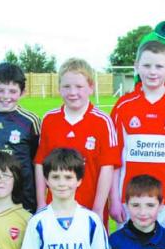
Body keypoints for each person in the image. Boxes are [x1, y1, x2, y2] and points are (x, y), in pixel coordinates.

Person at [109, 40, 165, 239]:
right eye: (146, 66)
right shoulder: (123, 105)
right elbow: (114, 160)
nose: (152, 72)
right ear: (137, 66)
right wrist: (114, 199)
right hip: (130, 199)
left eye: (158, 66)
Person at [35, 58, 118, 219]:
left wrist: (98, 209)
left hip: (90, 207)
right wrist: (40, 202)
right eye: (66, 86)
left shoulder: (102, 121)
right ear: (59, 88)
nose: (72, 92)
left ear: (91, 88)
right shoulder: (49, 119)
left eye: (79, 86)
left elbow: (107, 167)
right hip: (55, 207)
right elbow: (40, 163)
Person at [0, 62, 40, 213]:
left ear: (22, 92)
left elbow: (36, 158)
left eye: (12, 91)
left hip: (23, 198)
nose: (6, 96)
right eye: (0, 90)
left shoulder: (30, 121)